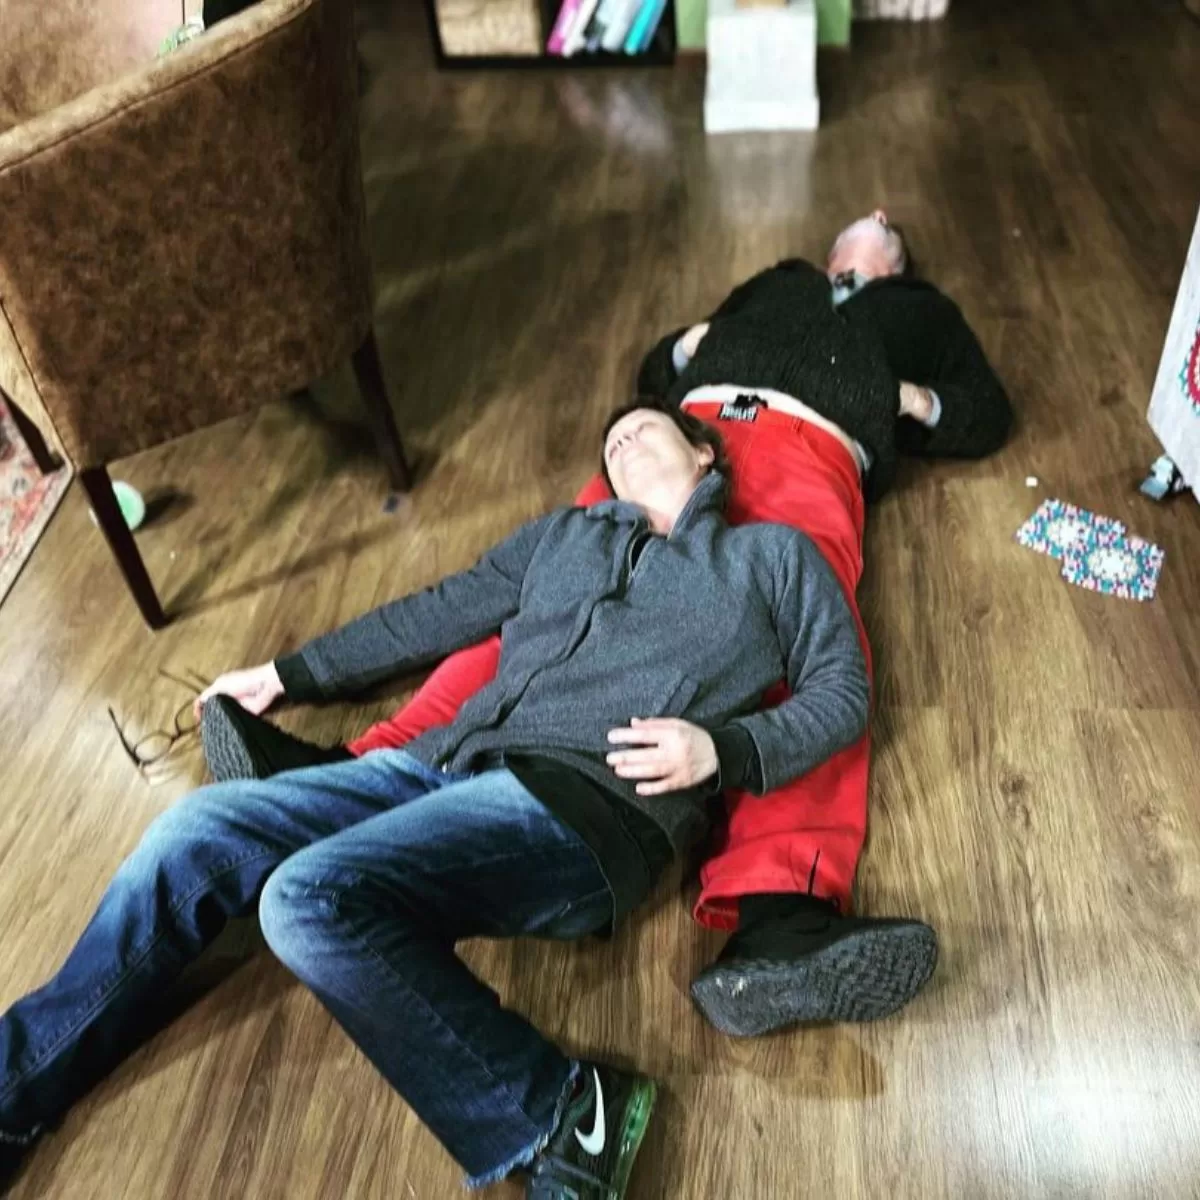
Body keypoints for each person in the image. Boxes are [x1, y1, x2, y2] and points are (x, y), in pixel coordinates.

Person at [0, 405, 870, 1198]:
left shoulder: (770, 558)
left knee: (304, 899)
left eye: (644, 428)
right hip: (438, 767)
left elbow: (842, 690)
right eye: (610, 443)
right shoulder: (564, 536)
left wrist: (724, 751)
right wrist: (286, 674)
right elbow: (442, 610)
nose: (622, 442)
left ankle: (563, 1111)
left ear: (704, 452)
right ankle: (12, 1092)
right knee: (195, 828)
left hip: (584, 801)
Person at [198, 210, 1009, 1040]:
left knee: (811, 650)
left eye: (887, 224)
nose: (874, 217)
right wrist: (691, 344)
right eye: (861, 221)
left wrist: (911, 398)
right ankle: (351, 775)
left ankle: (781, 914)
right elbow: (655, 370)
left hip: (813, 451)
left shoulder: (920, 313)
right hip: (673, 446)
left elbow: (986, 415)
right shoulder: (778, 281)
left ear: (897, 257)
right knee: (545, 614)